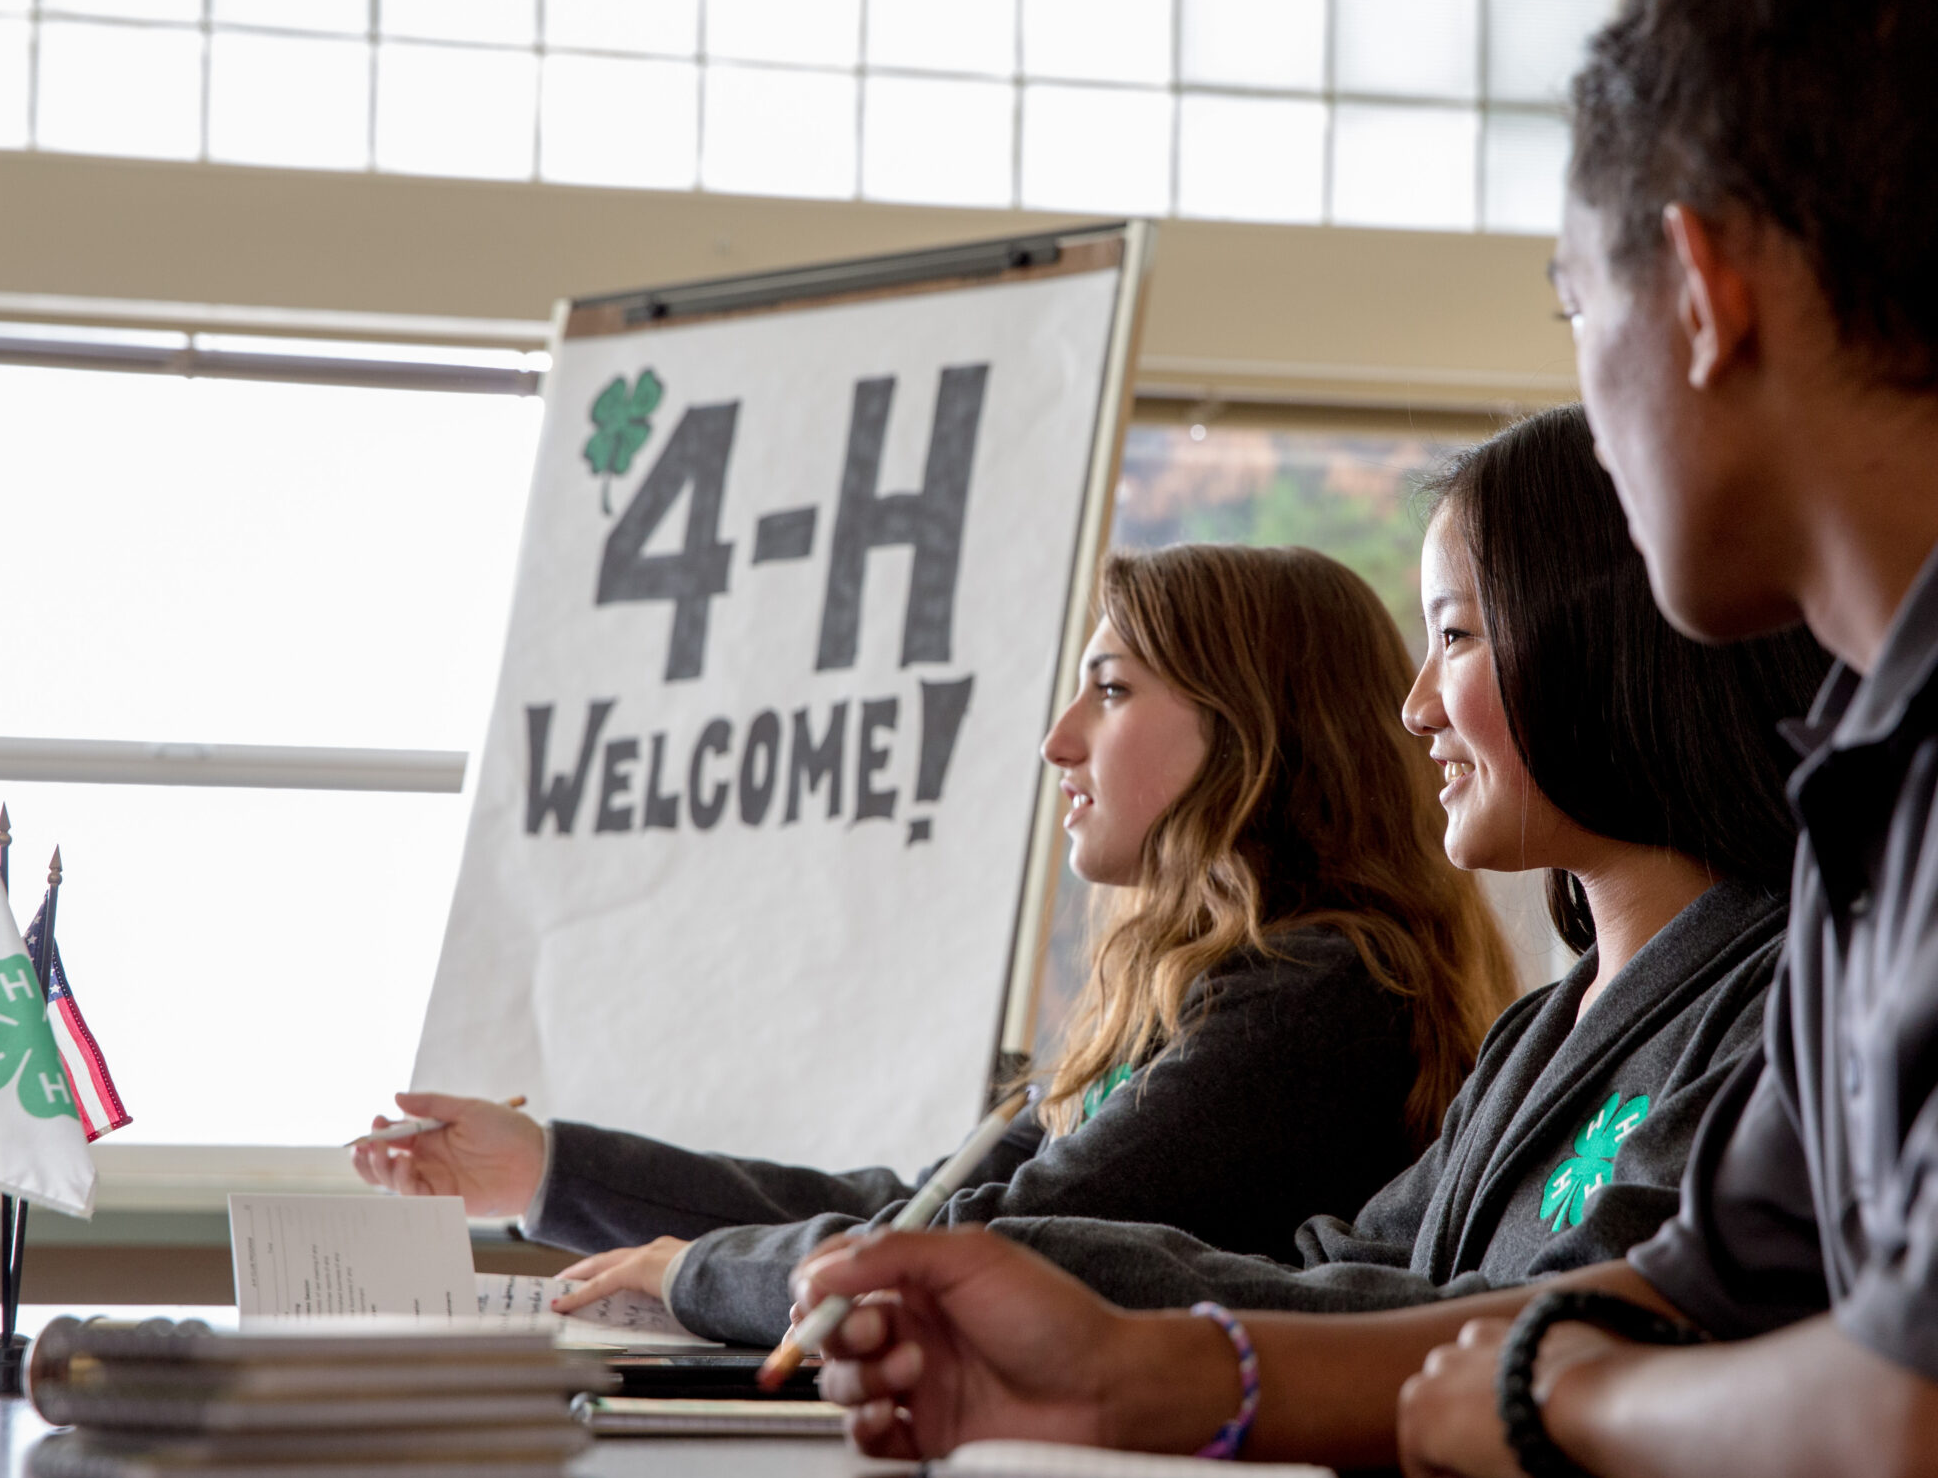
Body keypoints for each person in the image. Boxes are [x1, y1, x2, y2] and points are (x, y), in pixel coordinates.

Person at [800, 0, 1938, 1478]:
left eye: (1576, 310)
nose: (1591, 407)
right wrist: (1153, 1376)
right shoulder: (1907, 741)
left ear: (1704, 294)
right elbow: (1682, 1291)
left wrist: (1552, 1403)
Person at [358, 543, 1517, 1343]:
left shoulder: (1318, 992)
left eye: (1108, 692)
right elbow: (917, 1202)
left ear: (1257, 730)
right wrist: (546, 1167)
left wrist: (693, 1273)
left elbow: (970, 1246)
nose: (1060, 741)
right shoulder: (1209, 983)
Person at [996, 405, 1827, 1316]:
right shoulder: (1536, 1034)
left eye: (1457, 636)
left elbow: (1565, 1322)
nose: (1416, 706)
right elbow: (1353, 1268)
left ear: (1600, 641)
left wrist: (1043, 1265)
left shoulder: (1785, 1003)